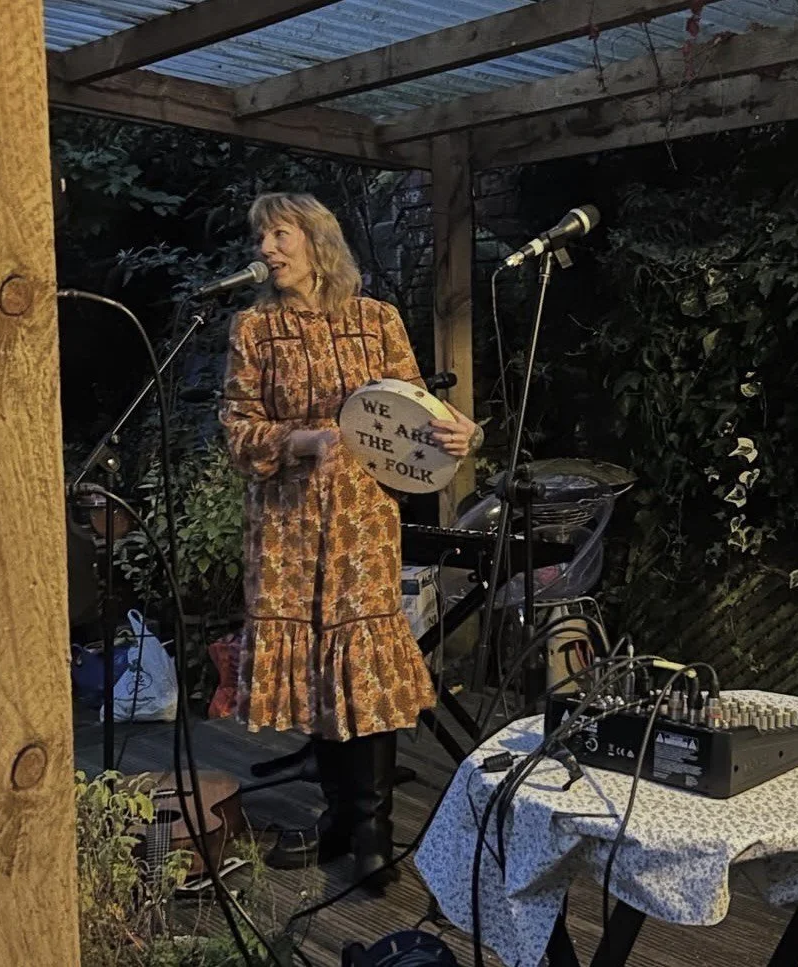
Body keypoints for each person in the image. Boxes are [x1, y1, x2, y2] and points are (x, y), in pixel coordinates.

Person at [219, 192, 481, 892]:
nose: (267, 249)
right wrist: (299, 440)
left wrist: (464, 431)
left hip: (364, 523)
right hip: (287, 528)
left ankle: (373, 833)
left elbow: (418, 413)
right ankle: (339, 816)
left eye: (280, 235)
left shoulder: (376, 321)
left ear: (316, 242)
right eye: (262, 237)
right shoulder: (254, 330)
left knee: (362, 668)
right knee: (316, 672)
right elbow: (238, 431)